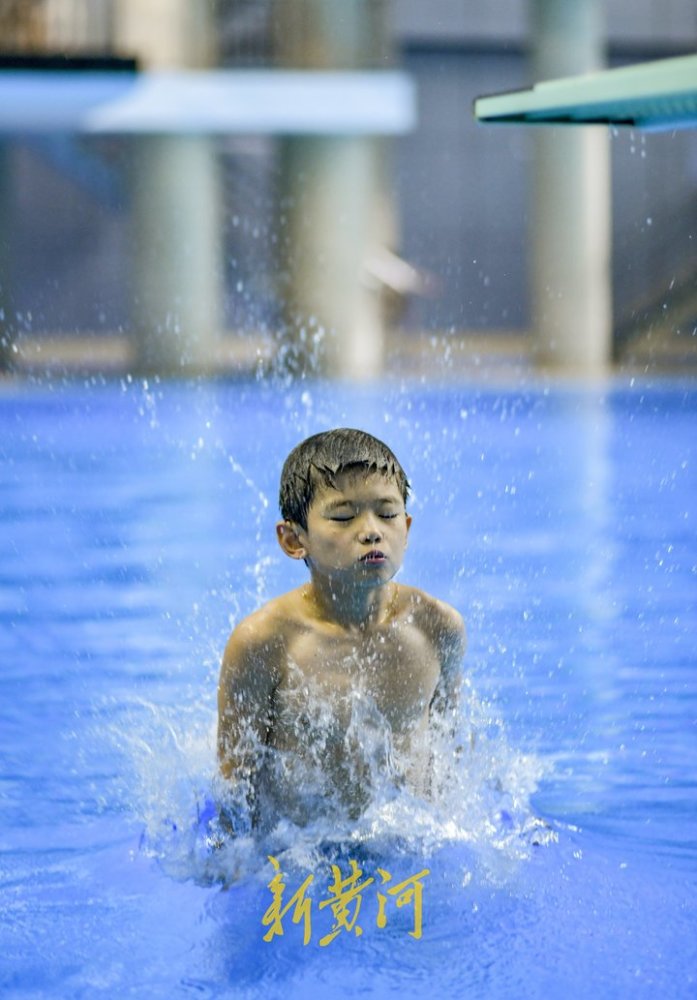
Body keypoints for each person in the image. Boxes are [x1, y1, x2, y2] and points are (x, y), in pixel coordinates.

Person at [216, 428, 466, 832]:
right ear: (294, 540)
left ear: (407, 526)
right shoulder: (264, 643)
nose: (371, 530)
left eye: (387, 514)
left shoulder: (437, 628)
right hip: (298, 848)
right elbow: (233, 793)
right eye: (343, 517)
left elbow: (448, 759)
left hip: (400, 846)